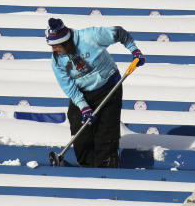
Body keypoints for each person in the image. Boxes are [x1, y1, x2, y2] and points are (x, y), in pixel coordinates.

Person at [46, 17, 145, 168]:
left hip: (109, 87)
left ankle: (106, 170)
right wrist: (83, 106)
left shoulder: (90, 36)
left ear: (66, 41)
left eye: (56, 46)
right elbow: (69, 87)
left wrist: (134, 50)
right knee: (80, 133)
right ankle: (88, 169)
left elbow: (119, 32)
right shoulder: (57, 61)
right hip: (83, 93)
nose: (53, 50)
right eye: (51, 46)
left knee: (106, 134)